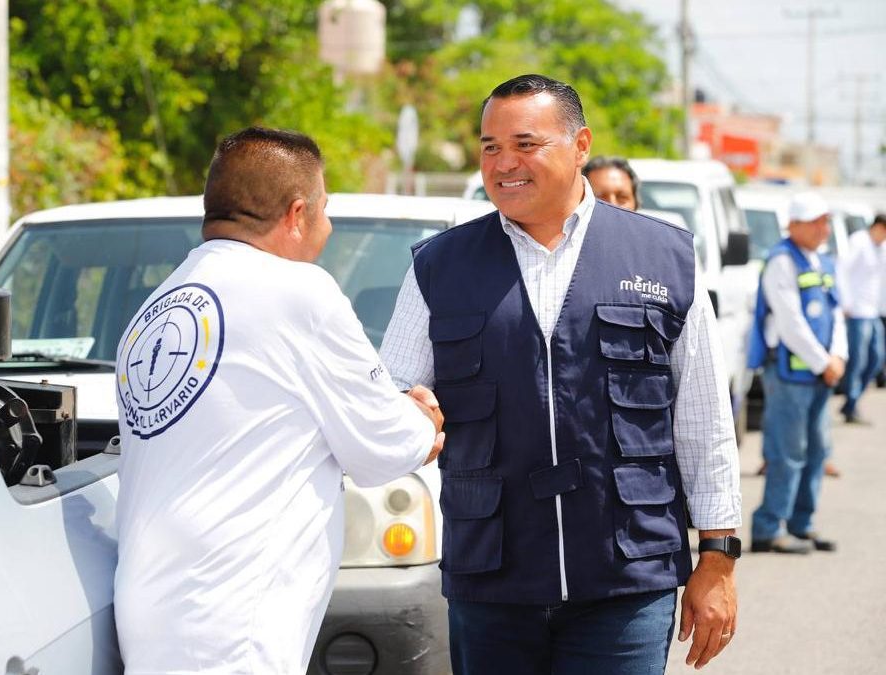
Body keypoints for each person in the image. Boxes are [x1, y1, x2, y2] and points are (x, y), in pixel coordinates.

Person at [381, 74, 741, 674]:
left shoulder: (665, 259)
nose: (504, 163)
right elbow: (394, 394)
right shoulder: (440, 267)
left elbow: (705, 424)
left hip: (626, 581)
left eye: (526, 144)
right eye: (490, 147)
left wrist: (718, 559)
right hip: (492, 580)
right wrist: (407, 415)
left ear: (580, 146)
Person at [112, 127, 445, 674]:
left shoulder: (162, 300)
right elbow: (383, 448)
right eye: (325, 209)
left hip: (156, 604)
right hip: (236, 619)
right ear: (296, 213)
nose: (329, 227)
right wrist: (419, 415)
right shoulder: (297, 291)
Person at [746, 191, 847, 555]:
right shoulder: (781, 261)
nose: (825, 228)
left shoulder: (823, 262)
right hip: (789, 375)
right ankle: (768, 527)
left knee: (818, 450)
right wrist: (826, 363)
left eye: (826, 221)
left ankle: (802, 524)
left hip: (821, 375)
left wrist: (838, 356)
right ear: (795, 225)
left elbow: (836, 313)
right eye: (818, 221)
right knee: (787, 452)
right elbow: (790, 323)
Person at [836, 214, 886, 423]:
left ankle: (852, 400)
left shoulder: (882, 248)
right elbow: (842, 270)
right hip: (857, 311)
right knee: (858, 361)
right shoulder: (859, 241)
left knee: (876, 358)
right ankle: (851, 403)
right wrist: (845, 302)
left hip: (873, 311)